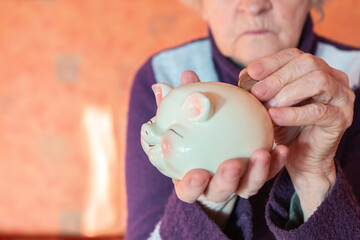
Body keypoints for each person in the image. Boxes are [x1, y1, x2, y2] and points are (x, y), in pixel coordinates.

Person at [126, 0, 360, 239]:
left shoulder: (354, 77)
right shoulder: (161, 74)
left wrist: (314, 177)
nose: (253, 5)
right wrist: (210, 204)